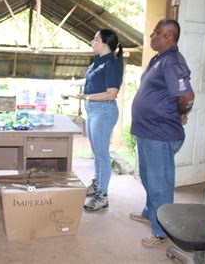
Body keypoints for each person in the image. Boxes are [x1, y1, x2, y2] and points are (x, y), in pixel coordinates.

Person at [129, 19, 195, 247]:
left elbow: (186, 97)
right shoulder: (160, 59)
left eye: (156, 33)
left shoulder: (173, 62)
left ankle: (162, 230)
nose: (151, 36)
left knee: (160, 183)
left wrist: (180, 113)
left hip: (160, 133)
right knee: (148, 177)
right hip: (148, 131)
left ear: (168, 36)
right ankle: (150, 213)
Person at [71, 29, 124, 211]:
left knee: (102, 155)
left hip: (104, 110)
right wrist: (76, 87)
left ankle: (103, 195)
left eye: (95, 39)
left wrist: (85, 98)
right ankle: (96, 184)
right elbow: (90, 81)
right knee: (97, 153)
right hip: (93, 110)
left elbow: (111, 93)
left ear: (104, 43)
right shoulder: (98, 62)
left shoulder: (112, 64)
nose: (92, 42)